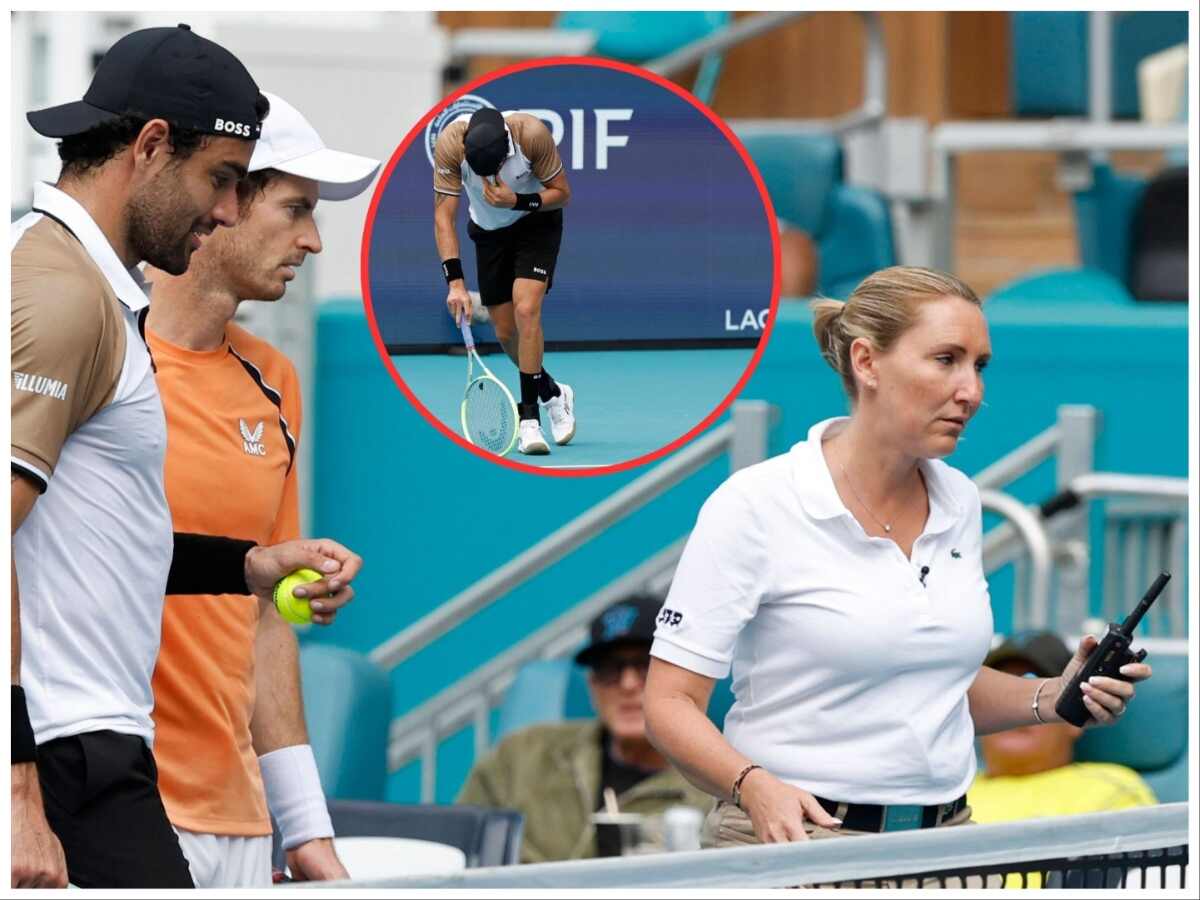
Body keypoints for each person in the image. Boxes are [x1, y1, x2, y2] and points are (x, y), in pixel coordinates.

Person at [11, 26, 361, 889]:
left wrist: (247, 564)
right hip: (68, 754)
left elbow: (92, 548)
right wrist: (16, 788)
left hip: (99, 755)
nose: (229, 212)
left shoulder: (88, 292)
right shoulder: (58, 296)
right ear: (151, 147)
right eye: (223, 181)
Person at [640, 266, 1152, 856]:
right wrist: (751, 785)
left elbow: (934, 681)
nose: (972, 391)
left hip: (948, 843)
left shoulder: (959, 498)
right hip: (791, 842)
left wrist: (1055, 693)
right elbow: (668, 703)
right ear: (866, 362)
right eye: (946, 359)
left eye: (979, 365)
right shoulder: (755, 504)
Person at [144, 91, 380, 888]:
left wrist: (306, 830)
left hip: (240, 821)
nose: (313, 240)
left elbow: (264, 618)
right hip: (103, 805)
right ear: (226, 197)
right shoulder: (93, 351)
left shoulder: (274, 381)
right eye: (296, 209)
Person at [458, 595, 711, 863]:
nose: (627, 684)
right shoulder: (521, 755)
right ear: (592, 686)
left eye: (646, 665)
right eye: (609, 669)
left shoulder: (722, 784)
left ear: (682, 677)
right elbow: (459, 848)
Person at [433, 106, 574, 455]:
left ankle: (530, 421)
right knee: (506, 333)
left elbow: (562, 193)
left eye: (494, 171)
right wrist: (455, 283)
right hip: (489, 231)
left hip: (535, 222)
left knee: (527, 310)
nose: (488, 181)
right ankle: (553, 392)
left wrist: (518, 200)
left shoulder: (531, 134)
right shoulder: (451, 144)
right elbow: (443, 218)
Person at [970, 632, 1156, 820]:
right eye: (997, 690)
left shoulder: (1112, 788)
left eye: (1034, 686)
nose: (1010, 703)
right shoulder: (950, 794)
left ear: (1076, 719)